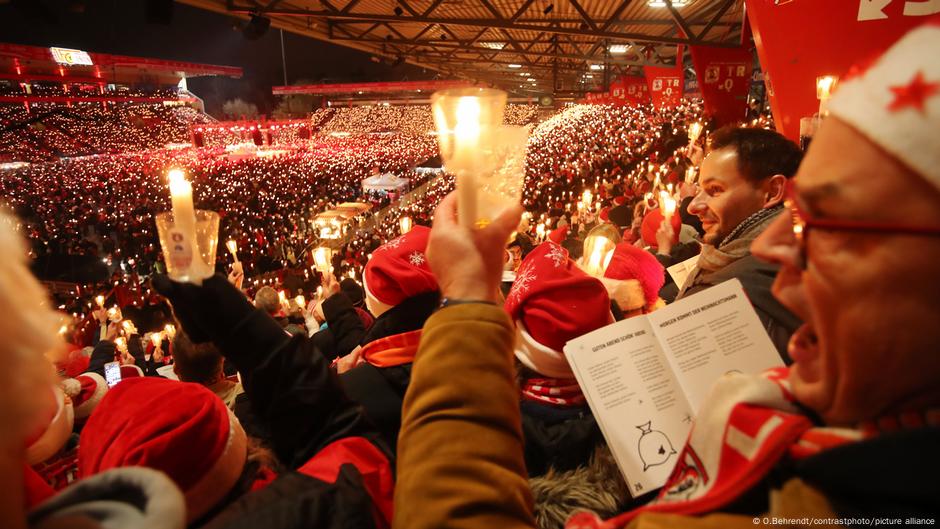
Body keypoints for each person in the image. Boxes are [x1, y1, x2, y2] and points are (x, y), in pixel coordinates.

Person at [394, 21, 940, 529]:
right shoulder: (796, 432)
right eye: (795, 212)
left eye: (826, 223)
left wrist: (467, 296)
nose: (772, 245)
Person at [669, 126, 804, 359]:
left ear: (772, 192)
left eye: (715, 190)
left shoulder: (734, 299)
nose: (693, 206)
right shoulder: (806, 251)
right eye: (700, 188)